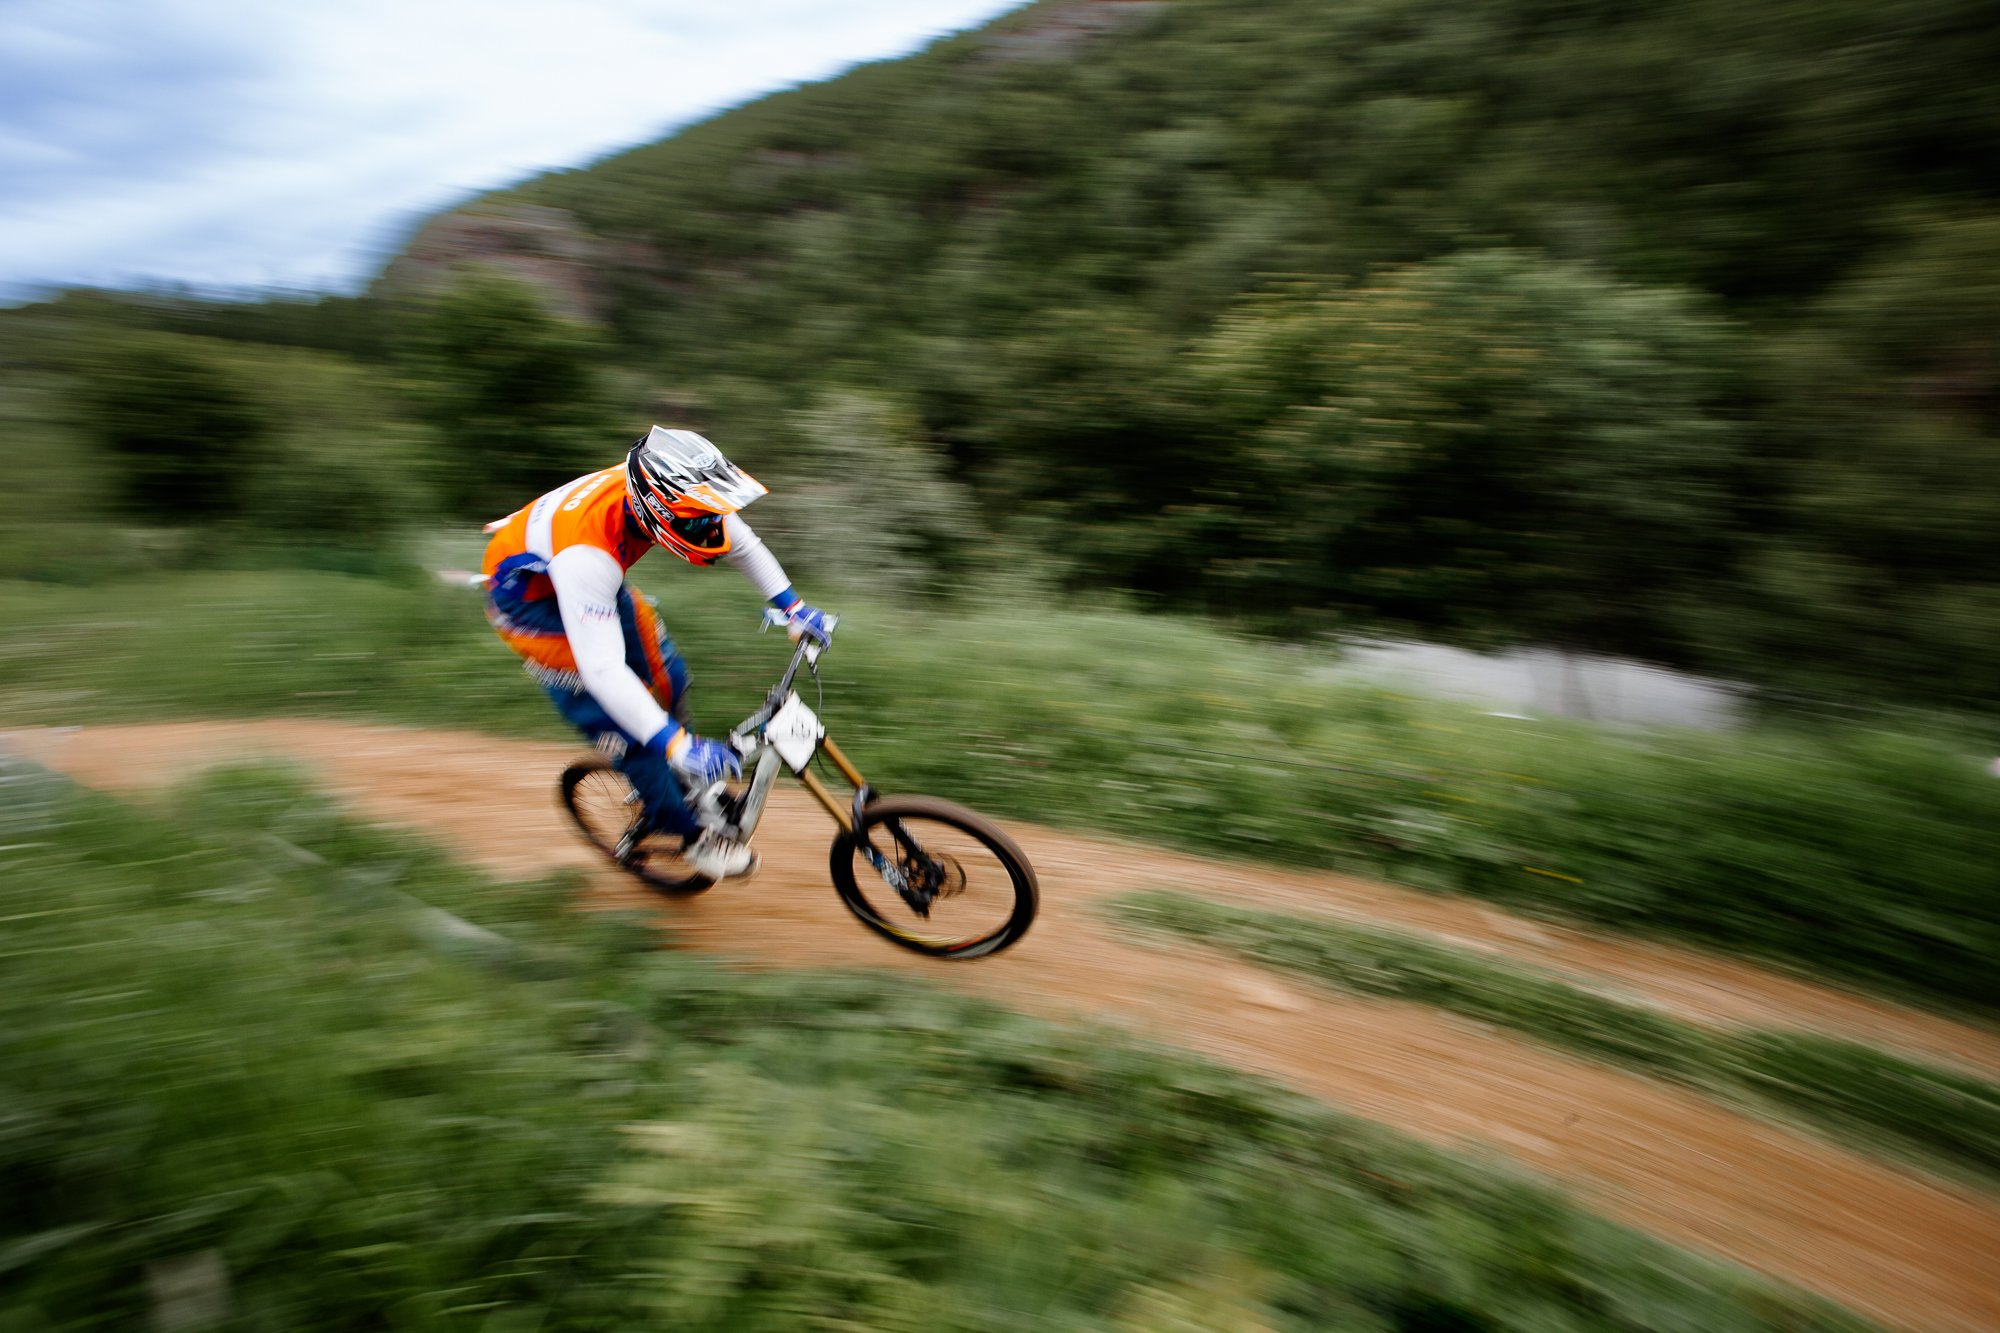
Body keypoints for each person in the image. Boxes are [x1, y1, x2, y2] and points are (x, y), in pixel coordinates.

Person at [480, 426, 834, 879]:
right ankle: (689, 837)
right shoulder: (588, 558)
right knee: (631, 730)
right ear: (656, 510)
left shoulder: (671, 490)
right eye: (698, 520)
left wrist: (795, 608)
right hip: (529, 607)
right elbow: (603, 668)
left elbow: (742, 544)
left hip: (575, 575)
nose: (710, 526)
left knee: (668, 672)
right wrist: (674, 743)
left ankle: (680, 774)